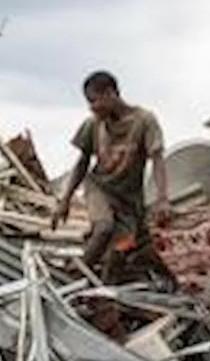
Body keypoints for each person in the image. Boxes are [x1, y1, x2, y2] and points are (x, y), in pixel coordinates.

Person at [53, 70, 171, 272]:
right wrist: (65, 200)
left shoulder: (144, 121)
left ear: (110, 94)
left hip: (128, 198)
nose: (91, 108)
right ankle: (73, 274)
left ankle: (103, 292)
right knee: (104, 228)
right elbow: (82, 162)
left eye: (94, 100)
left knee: (120, 250)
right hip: (99, 187)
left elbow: (158, 161)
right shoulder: (93, 124)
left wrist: (162, 199)